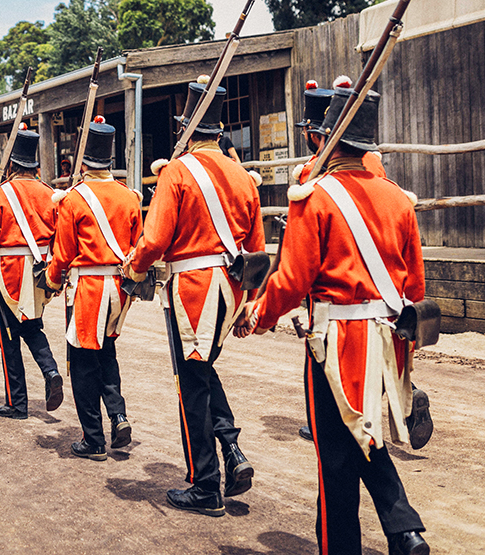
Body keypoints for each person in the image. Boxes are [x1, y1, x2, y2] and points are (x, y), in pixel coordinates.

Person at [238, 89, 430, 555]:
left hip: (335, 340)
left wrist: (259, 316)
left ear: (328, 139)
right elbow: (416, 288)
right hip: (385, 342)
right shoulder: (398, 200)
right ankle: (403, 529)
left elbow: (293, 280)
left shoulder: (315, 196)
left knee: (337, 461)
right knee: (361, 434)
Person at [124, 78, 264, 516]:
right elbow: (256, 248)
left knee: (192, 386)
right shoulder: (243, 175)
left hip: (194, 289)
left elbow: (155, 239)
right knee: (202, 375)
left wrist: (134, 267)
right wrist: (249, 304)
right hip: (233, 288)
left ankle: (206, 485)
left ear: (186, 128)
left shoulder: (177, 171)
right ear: (219, 132)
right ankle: (232, 448)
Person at [293, 78, 432, 450]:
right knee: (384, 346)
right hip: (387, 281)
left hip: (339, 290)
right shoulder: (374, 166)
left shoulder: (314, 174)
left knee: (324, 357)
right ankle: (403, 392)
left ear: (318, 132)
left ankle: (327, 419)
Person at [46, 118, 141, 461]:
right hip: (118, 288)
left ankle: (93, 439)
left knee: (83, 363)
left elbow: (63, 252)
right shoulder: (130, 197)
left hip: (88, 288)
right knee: (108, 355)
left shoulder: (72, 199)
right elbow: (135, 247)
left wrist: (53, 280)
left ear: (83, 162)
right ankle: (118, 415)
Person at [0, 128, 62, 420]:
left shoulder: (1, 194)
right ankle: (50, 370)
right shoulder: (49, 193)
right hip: (40, 271)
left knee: (9, 339)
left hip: (10, 271)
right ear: (35, 166)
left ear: (12, 165)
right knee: (33, 326)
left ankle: (17, 403)